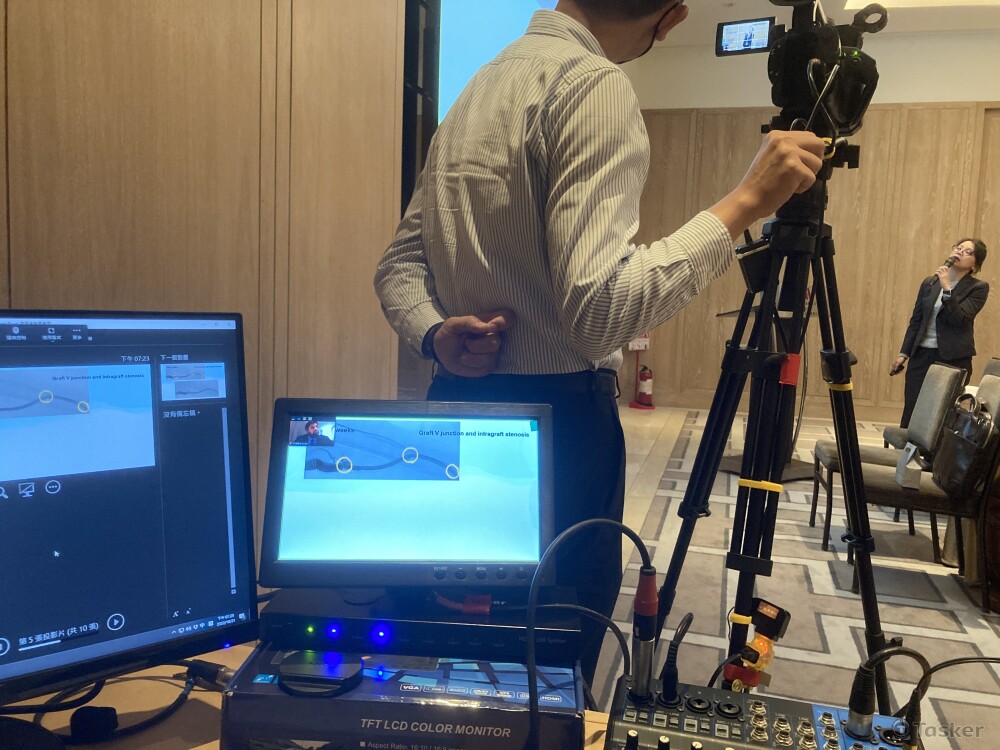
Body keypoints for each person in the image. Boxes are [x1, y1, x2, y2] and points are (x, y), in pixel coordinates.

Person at [374, 0, 824, 686]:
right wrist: (743, 206)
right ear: (671, 18)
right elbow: (600, 311)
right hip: (559, 436)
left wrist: (435, 335)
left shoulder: (475, 91)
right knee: (548, 671)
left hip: (450, 411)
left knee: (451, 650)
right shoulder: (594, 86)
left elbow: (400, 264)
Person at [889, 238, 989, 427]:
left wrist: (947, 289)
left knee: (940, 415)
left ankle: (934, 448)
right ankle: (906, 445)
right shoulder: (929, 283)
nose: (960, 251)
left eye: (968, 251)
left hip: (952, 360)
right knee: (912, 408)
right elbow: (916, 320)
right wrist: (904, 353)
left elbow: (959, 319)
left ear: (975, 265)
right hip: (921, 355)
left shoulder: (978, 288)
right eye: (959, 247)